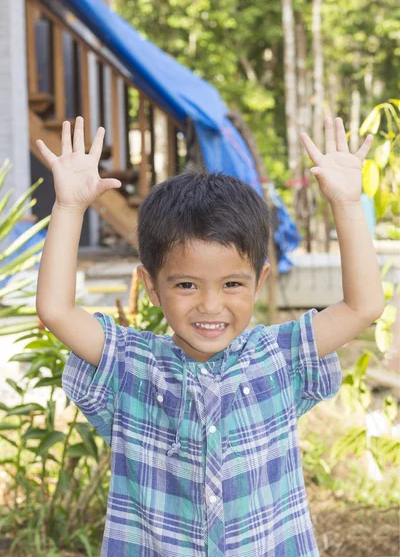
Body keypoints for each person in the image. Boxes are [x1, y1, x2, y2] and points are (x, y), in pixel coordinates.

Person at [35, 116, 385, 556]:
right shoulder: (130, 365)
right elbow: (56, 310)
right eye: (186, 285)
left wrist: (348, 205)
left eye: (232, 284)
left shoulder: (278, 356)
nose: (211, 305)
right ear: (151, 287)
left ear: (259, 283)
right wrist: (68, 207)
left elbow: (363, 307)